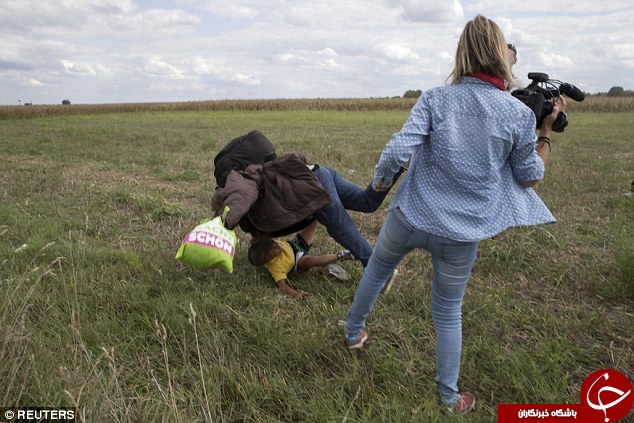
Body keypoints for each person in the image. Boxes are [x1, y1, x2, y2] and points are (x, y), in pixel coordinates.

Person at [343, 15, 567, 414]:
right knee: (447, 311)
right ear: (503, 57)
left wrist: (379, 185)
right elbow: (530, 177)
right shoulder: (518, 115)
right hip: (461, 233)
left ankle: (352, 332)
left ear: (461, 53)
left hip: (410, 215)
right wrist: (545, 131)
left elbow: (397, 152)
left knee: (377, 269)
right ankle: (448, 397)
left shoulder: (435, 98)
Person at [212, 152, 404, 267]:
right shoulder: (251, 219)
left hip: (312, 187)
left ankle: (378, 269)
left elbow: (239, 201)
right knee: (366, 203)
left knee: (339, 225)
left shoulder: (241, 188)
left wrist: (219, 224)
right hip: (317, 173)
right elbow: (260, 239)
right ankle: (395, 166)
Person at [248, 220, 354, 298]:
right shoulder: (275, 268)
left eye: (275, 244)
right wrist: (296, 294)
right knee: (312, 261)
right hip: (299, 260)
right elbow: (282, 286)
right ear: (269, 259)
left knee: (312, 222)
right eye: (275, 250)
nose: (278, 246)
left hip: (296, 244)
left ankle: (318, 214)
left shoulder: (267, 244)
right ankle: (342, 255)